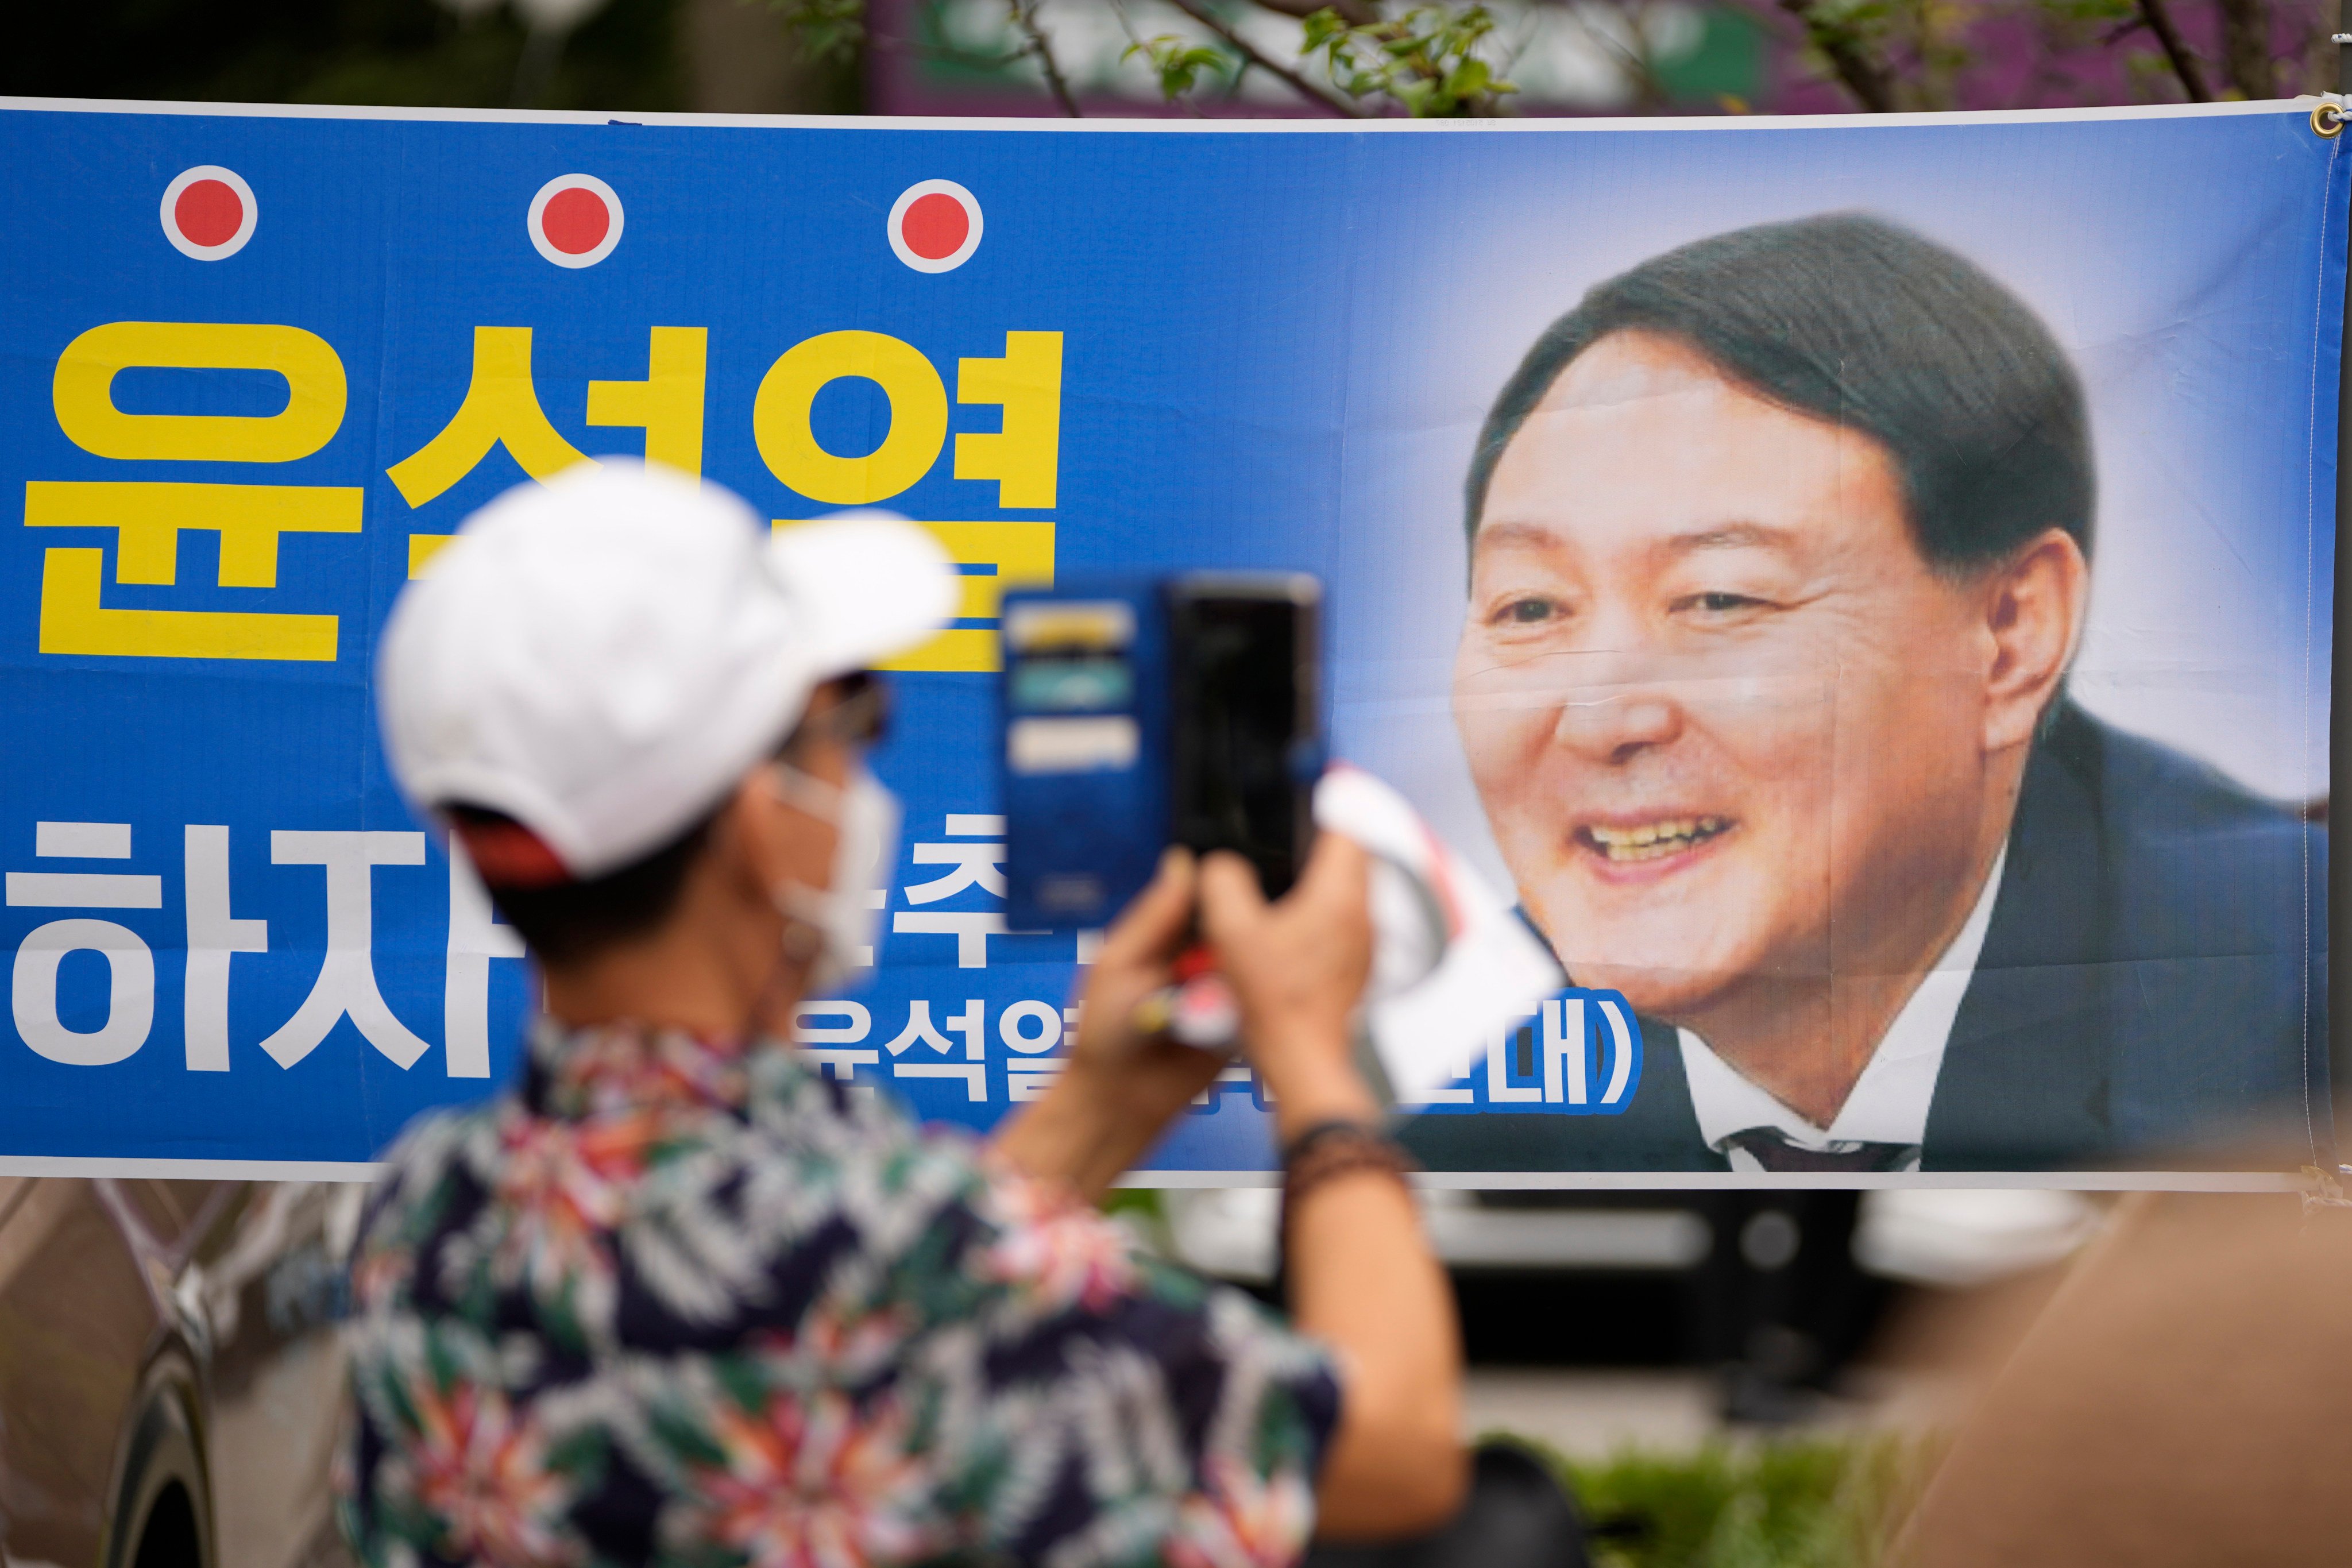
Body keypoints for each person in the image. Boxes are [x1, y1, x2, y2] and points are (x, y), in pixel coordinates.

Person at [335, 462, 1466, 1566]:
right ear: (762, 824)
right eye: (849, 728)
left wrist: (1099, 1100)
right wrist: (1313, 1066)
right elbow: (1390, 1453)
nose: (863, 779)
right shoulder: (899, 1248)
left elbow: (866, 1351)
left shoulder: (423, 1217)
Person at [1409, 213, 2324, 1175]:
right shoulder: (1447, 1060)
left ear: (2012, 633)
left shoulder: (2295, 1001)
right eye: (1530, 608)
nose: (1601, 720)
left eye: (1720, 598)